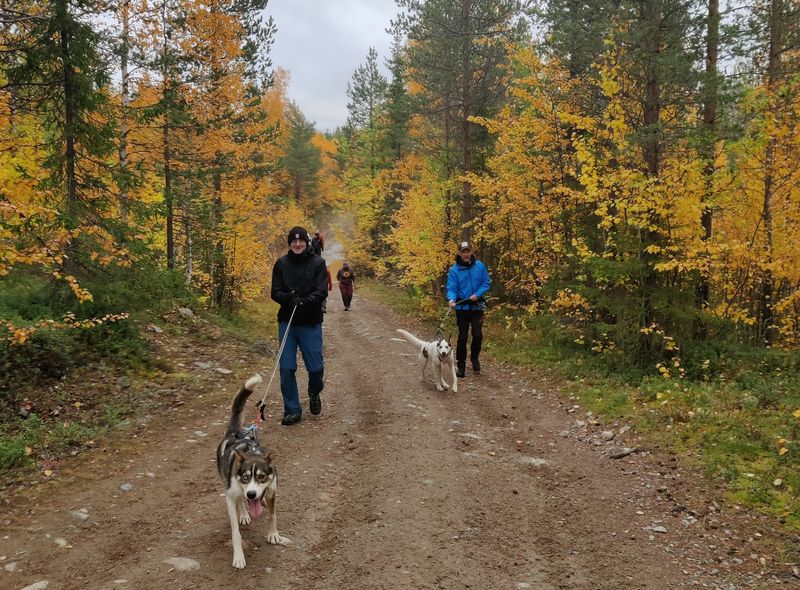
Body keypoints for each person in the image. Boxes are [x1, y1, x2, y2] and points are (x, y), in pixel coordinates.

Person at [270, 226, 328, 425]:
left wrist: (305, 301)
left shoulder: (318, 263)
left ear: (306, 242)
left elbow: (322, 291)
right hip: (287, 322)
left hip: (310, 322)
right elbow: (275, 292)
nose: (297, 244)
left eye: (300, 240)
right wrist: (288, 298)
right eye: (293, 241)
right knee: (286, 368)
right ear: (289, 243)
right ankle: (292, 410)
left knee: (315, 368)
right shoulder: (281, 264)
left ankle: (314, 390)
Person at [446, 240, 491, 378]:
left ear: (471, 252)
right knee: (463, 337)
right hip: (462, 307)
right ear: (459, 253)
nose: (466, 254)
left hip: (477, 306)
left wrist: (477, 295)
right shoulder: (454, 270)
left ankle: (475, 358)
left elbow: (486, 282)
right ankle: (461, 366)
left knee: (477, 335)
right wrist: (451, 299)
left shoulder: (479, 266)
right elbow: (451, 288)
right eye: (463, 252)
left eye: (468, 251)